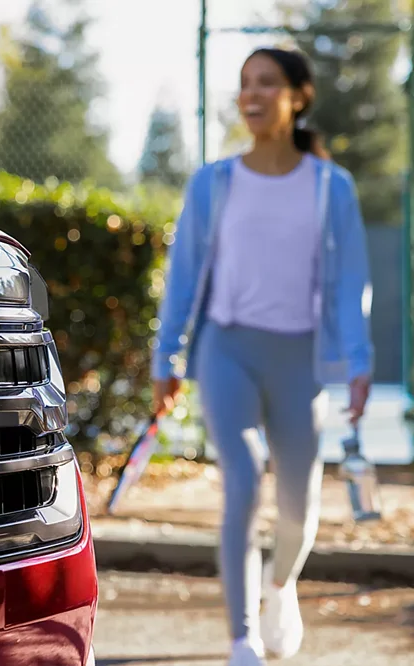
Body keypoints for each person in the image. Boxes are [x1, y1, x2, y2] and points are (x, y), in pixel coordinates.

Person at [151, 47, 373, 666]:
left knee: (300, 508)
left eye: (267, 84)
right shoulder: (214, 184)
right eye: (245, 84)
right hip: (228, 350)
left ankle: (281, 587)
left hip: (301, 358)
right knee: (243, 484)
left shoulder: (331, 186)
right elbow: (184, 277)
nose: (252, 95)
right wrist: (166, 359)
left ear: (298, 96)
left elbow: (351, 281)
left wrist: (358, 360)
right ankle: (241, 636)